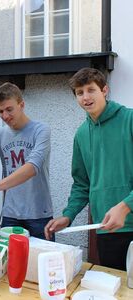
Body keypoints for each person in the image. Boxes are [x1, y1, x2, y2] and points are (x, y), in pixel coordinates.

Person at [44, 67, 133, 270]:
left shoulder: (129, 120)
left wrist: (126, 205)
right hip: (106, 229)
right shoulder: (81, 135)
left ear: (104, 90)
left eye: (91, 90)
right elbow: (82, 184)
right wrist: (68, 215)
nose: (86, 97)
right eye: (79, 92)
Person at [0, 82, 53, 239]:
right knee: (9, 261)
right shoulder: (0, 135)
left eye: (9, 109)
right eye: (0, 111)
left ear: (21, 104)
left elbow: (32, 167)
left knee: (40, 260)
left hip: (38, 213)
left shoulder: (41, 130)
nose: (5, 116)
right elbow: (7, 171)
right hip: (10, 213)